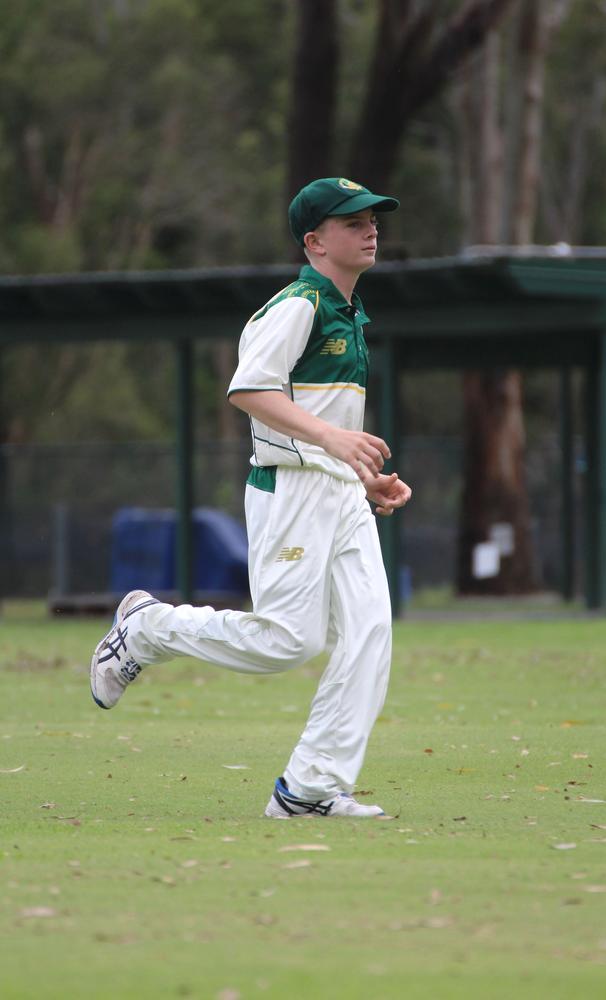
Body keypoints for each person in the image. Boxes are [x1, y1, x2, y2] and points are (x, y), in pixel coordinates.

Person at [90, 177, 412, 819]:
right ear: (315, 241)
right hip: (289, 492)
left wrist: (360, 473)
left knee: (370, 630)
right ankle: (146, 627)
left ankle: (309, 790)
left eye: (374, 218)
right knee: (287, 642)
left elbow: (322, 421)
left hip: (338, 494)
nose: (371, 228)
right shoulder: (298, 305)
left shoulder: (348, 312)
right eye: (353, 221)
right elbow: (250, 390)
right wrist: (331, 441)